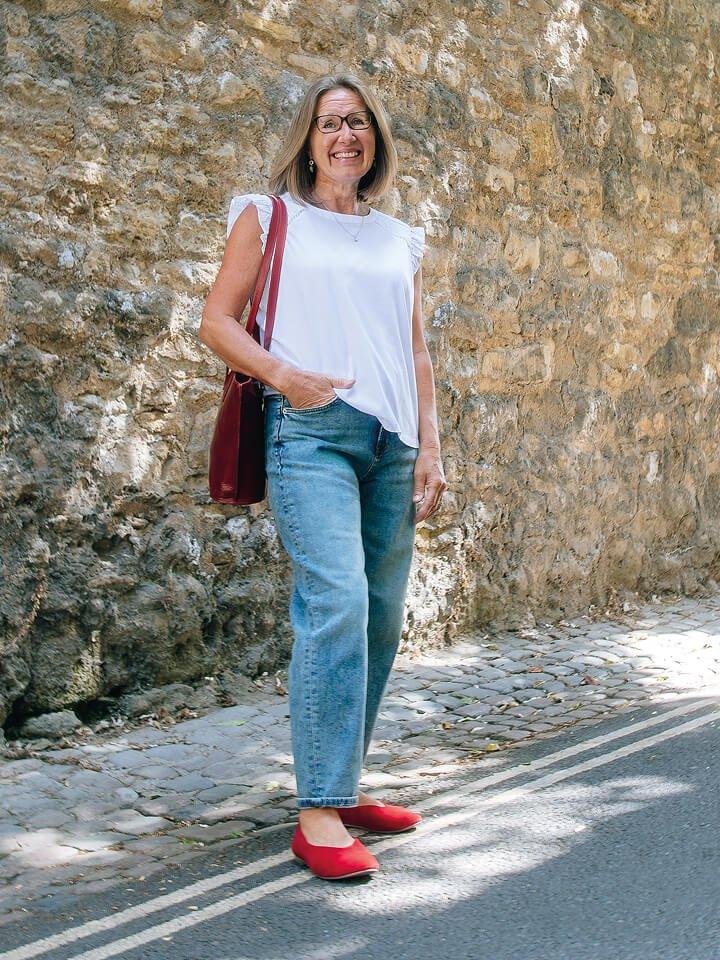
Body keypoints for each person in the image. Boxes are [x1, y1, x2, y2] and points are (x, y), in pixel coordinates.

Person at [200, 71, 447, 880]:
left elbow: (414, 351)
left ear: (375, 139)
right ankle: (315, 815)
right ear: (306, 140)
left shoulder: (397, 237)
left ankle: (341, 789)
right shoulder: (268, 216)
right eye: (330, 123)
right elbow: (216, 322)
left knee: (378, 616)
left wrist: (433, 449)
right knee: (335, 601)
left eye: (360, 123)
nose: (347, 136)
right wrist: (286, 378)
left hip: (393, 446)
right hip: (310, 432)